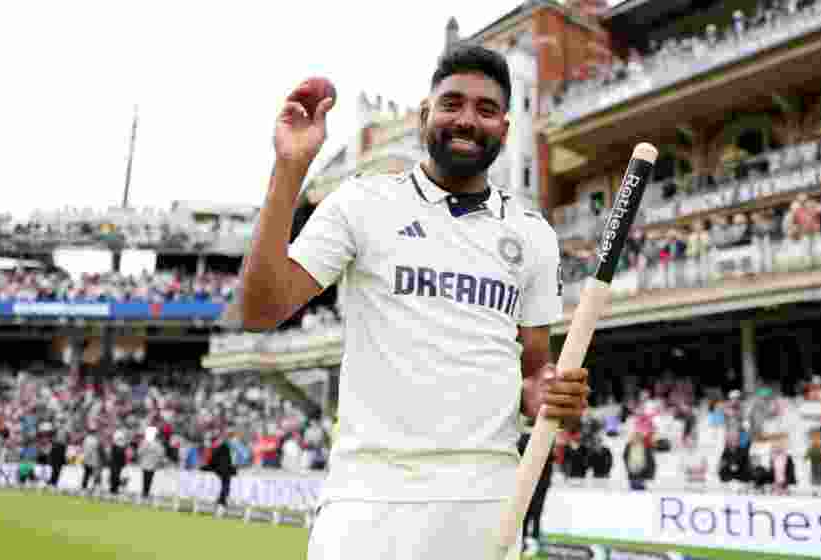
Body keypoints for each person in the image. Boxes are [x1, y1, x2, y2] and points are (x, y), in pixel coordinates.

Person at [237, 44, 589, 560]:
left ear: (505, 130)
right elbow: (259, 311)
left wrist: (552, 394)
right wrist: (290, 168)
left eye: (486, 109)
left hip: (485, 504)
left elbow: (535, 371)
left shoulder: (534, 235)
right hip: (369, 500)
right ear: (425, 115)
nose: (467, 119)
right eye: (452, 103)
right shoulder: (362, 201)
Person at [137, 426, 165, 500]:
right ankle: (145, 494)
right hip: (148, 464)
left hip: (151, 464)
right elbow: (139, 452)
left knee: (148, 480)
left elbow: (160, 453)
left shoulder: (154, 443)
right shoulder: (146, 442)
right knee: (147, 479)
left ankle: (146, 494)